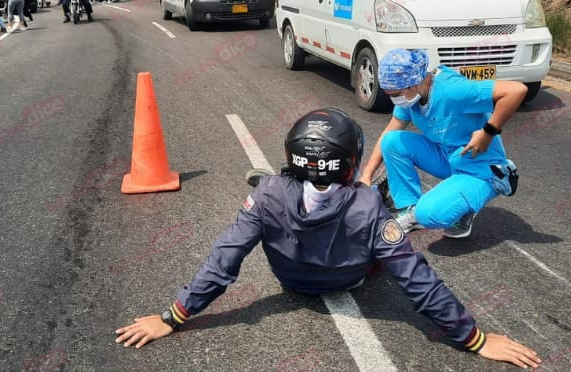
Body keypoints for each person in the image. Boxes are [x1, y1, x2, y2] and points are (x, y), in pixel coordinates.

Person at [114, 108, 541, 369]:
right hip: (348, 278)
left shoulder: (266, 196)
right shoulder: (367, 204)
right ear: (351, 164)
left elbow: (223, 261)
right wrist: (475, 338)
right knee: (388, 231)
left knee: (269, 204)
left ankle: (301, 189)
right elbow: (415, 278)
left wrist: (171, 317)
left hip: (292, 281)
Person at [358, 49, 526, 238]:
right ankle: (410, 209)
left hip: (479, 166)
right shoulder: (411, 97)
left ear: (415, 80)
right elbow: (389, 131)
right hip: (450, 157)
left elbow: (516, 90)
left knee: (428, 214)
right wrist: (366, 175)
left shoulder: (452, 90)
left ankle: (500, 177)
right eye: (390, 94)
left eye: (396, 93)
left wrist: (488, 132)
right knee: (392, 141)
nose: (394, 99)